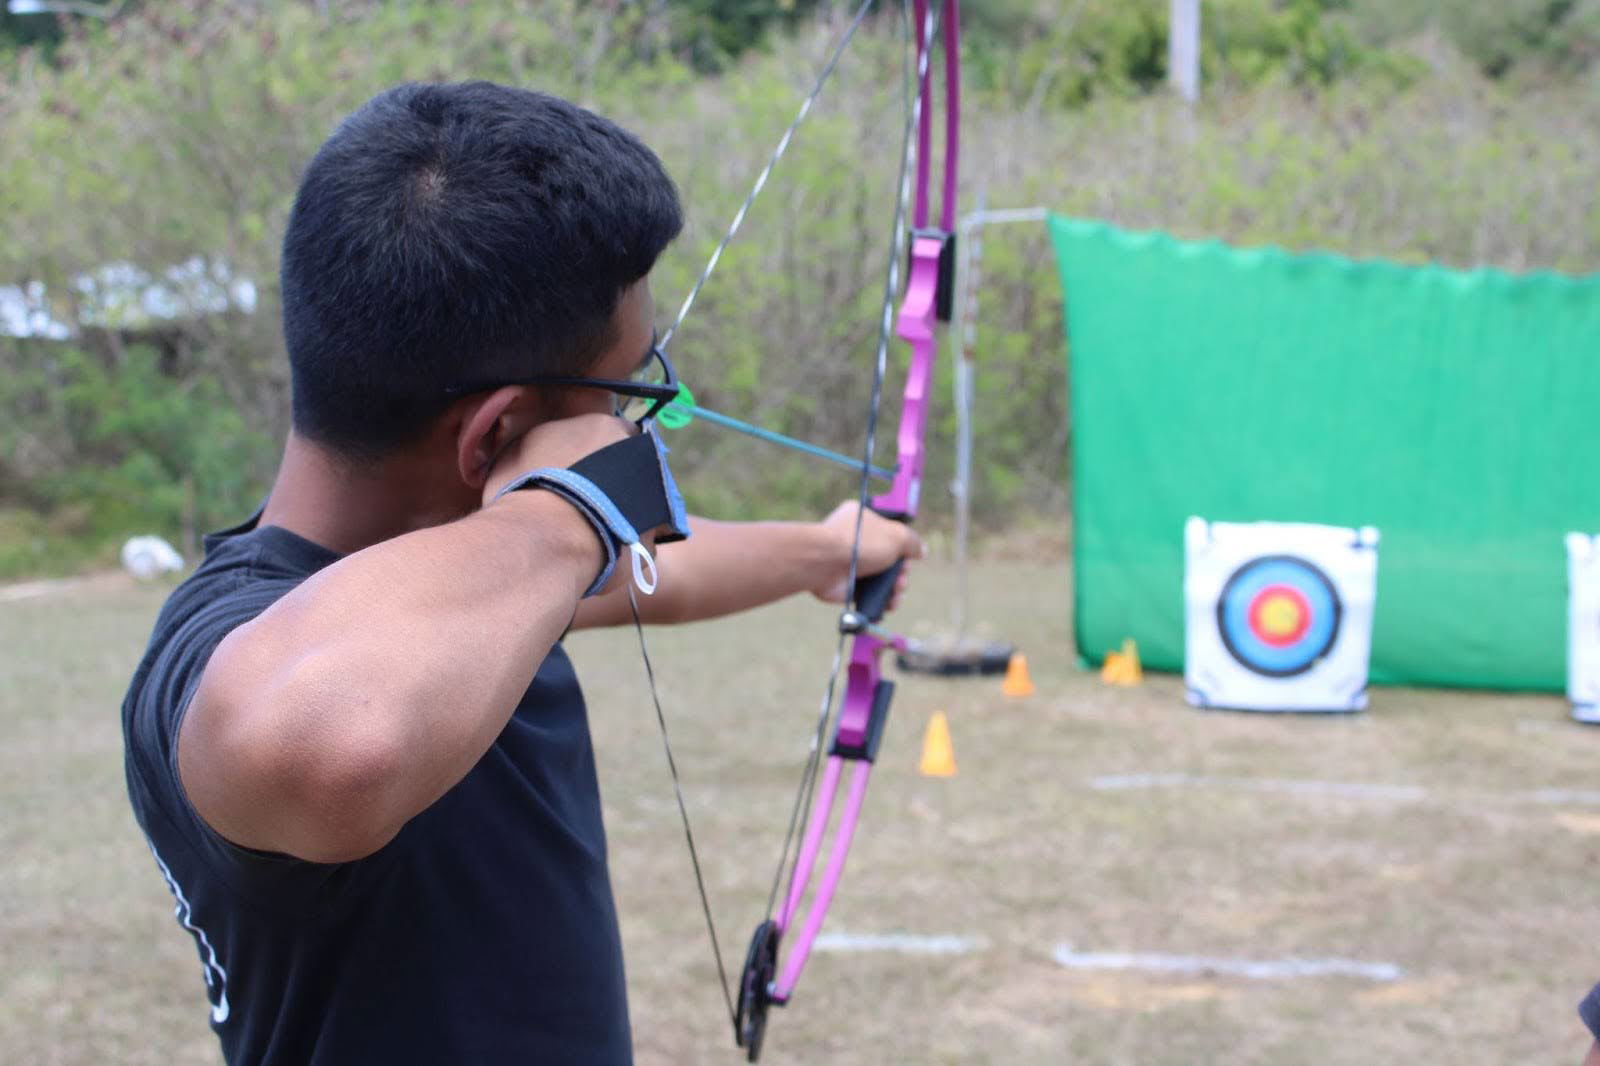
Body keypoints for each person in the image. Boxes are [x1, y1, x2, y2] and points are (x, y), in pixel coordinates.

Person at [121, 81, 920, 1066]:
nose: (633, 426)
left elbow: (639, 570)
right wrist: (575, 505)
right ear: (497, 433)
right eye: (628, 393)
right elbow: (334, 745)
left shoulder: (501, 565)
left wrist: (824, 550)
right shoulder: (223, 643)